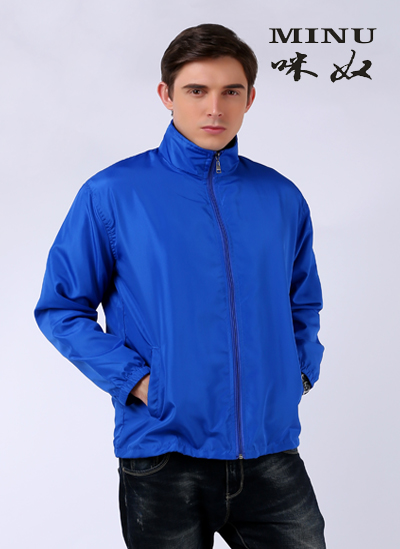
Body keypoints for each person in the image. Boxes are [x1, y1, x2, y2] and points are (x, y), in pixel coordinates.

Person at [35, 23, 326, 549]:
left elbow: (302, 301)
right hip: (163, 452)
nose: (214, 108)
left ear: (250, 99)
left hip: (270, 451)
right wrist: (140, 382)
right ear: (167, 95)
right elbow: (61, 308)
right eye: (196, 90)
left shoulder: (281, 196)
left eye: (230, 91)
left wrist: (298, 374)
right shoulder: (112, 194)